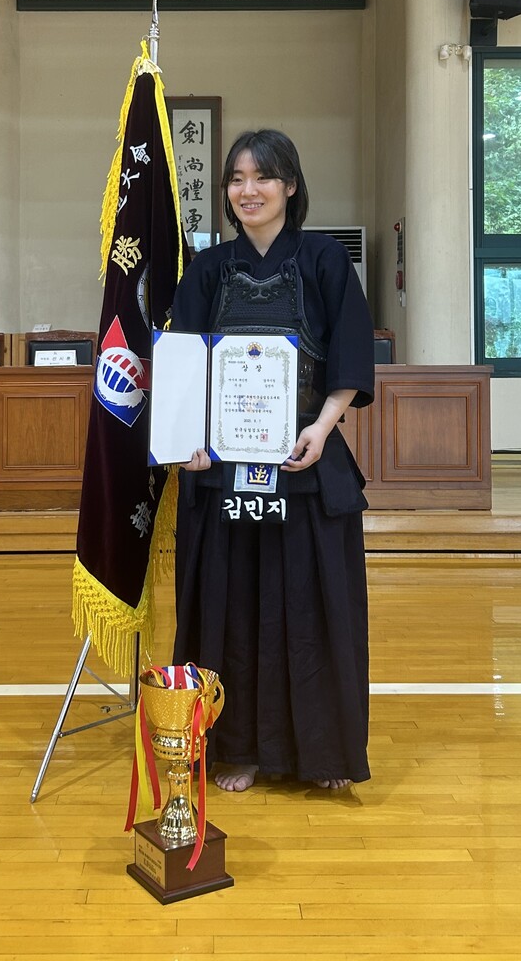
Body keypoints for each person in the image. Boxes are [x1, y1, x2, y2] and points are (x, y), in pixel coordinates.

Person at [170, 129, 375, 793]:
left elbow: (348, 350)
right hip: (222, 467)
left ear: (290, 185)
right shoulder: (206, 269)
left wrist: (321, 427)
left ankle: (322, 754)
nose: (247, 190)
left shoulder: (322, 260)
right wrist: (189, 438)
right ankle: (238, 748)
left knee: (312, 607)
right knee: (230, 606)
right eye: (235, 179)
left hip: (302, 460)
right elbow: (184, 366)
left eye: (262, 177)